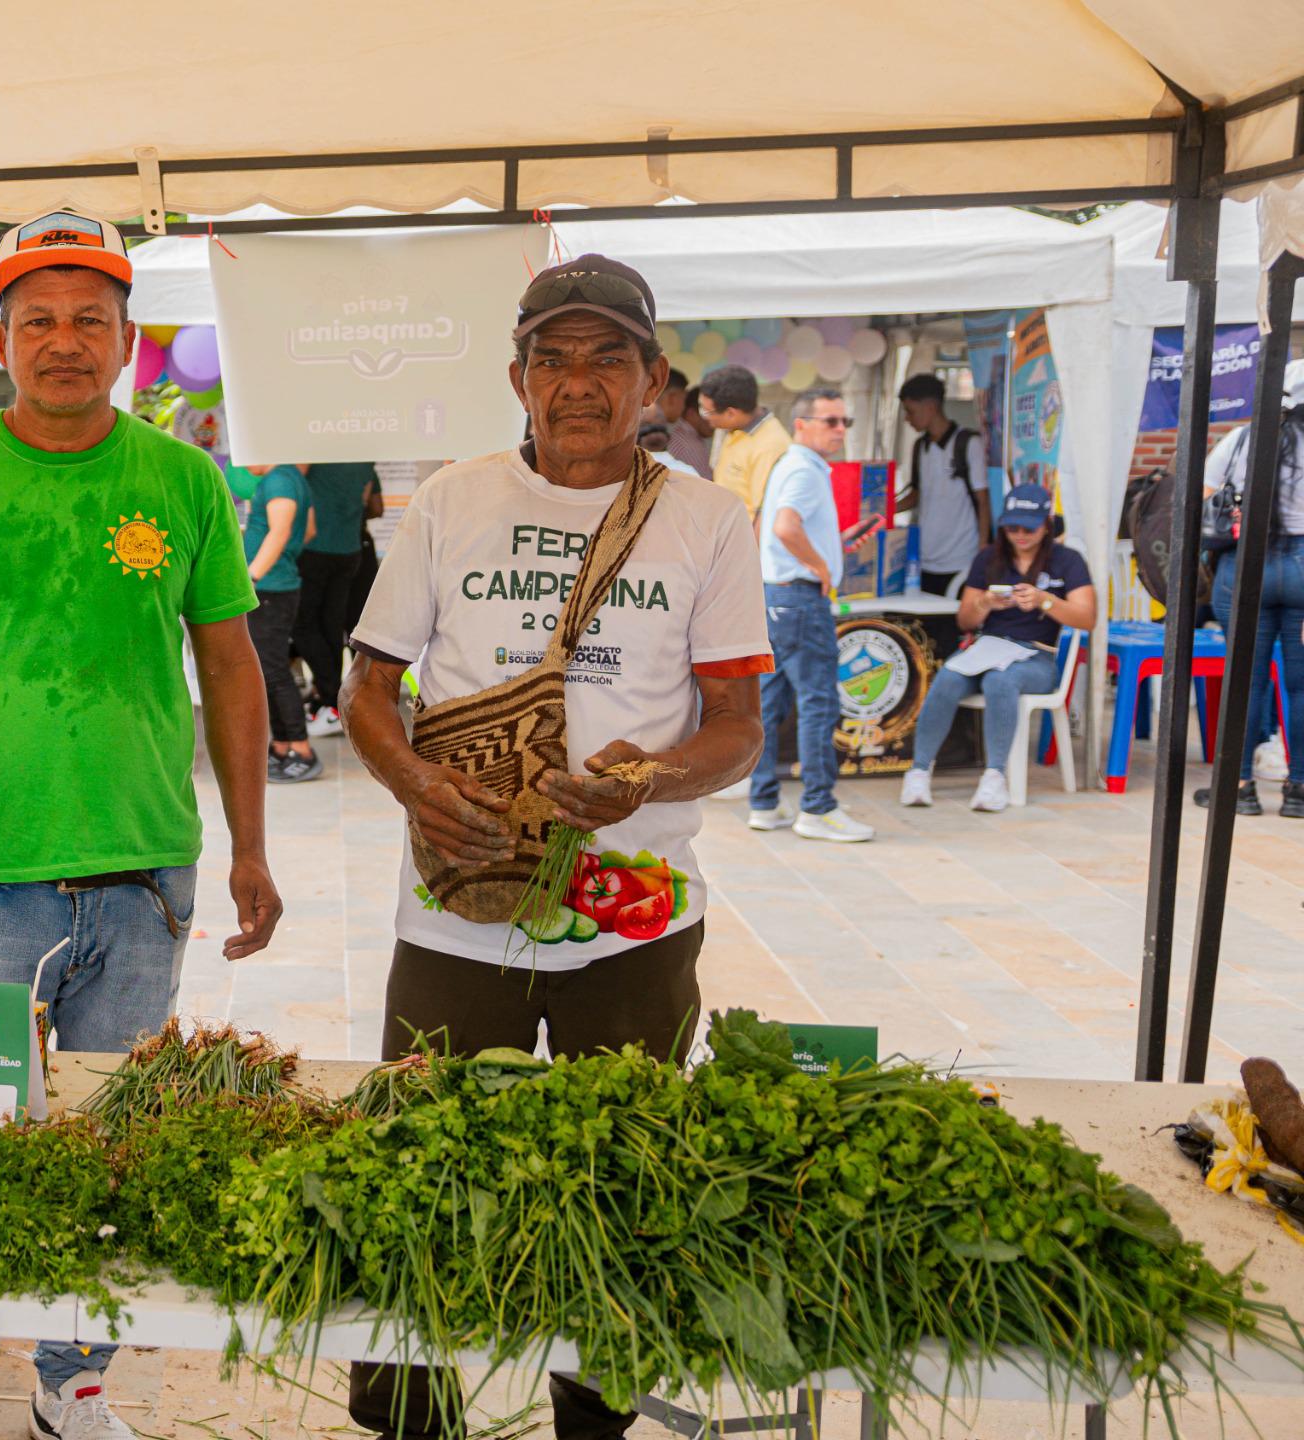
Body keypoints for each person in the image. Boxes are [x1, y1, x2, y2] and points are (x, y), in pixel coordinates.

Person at [0, 212, 282, 1440]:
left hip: (145, 874)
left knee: (104, 1148)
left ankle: (72, 1382)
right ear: (0, 340)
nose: (64, 342)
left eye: (90, 318)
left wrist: (248, 843)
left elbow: (233, 667)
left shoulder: (180, 478)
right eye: (38, 319)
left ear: (128, 339)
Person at [339, 253, 770, 1440]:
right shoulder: (452, 500)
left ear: (655, 381)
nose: (578, 383)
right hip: (458, 902)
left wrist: (654, 779)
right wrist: (417, 782)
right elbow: (367, 689)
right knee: (422, 1171)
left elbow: (739, 724)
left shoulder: (708, 520)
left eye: (607, 359)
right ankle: (411, 1417)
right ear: (517, 376)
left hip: (634, 908)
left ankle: (596, 1418)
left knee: (617, 1187)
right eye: (553, 358)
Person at [898, 484, 1096, 813]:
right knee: (947, 676)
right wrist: (986, 603)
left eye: (1027, 528)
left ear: (1046, 524)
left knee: (1000, 681)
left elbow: (1087, 618)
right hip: (989, 647)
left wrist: (1044, 600)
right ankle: (919, 770)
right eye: (1011, 527)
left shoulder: (1067, 560)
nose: (1019, 535)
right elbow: (964, 619)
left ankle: (995, 776)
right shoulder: (989, 558)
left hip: (1038, 654)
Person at [750, 388, 880, 842]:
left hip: (777, 596)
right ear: (801, 424)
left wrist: (832, 546)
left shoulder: (791, 466)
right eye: (831, 421)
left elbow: (773, 528)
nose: (840, 430)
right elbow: (786, 527)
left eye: (845, 421)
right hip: (800, 598)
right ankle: (818, 807)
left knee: (770, 703)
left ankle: (764, 801)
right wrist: (821, 565)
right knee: (818, 703)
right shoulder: (803, 469)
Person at [1195, 357, 1304, 817]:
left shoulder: (1240, 440)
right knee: (1301, 686)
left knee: (1245, 679)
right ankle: (1298, 790)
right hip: (1302, 566)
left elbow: (1204, 491)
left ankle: (1239, 786)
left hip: (1244, 567)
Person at [244, 461, 322, 781]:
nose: (241, 463)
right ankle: (281, 746)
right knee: (266, 669)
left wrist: (252, 575)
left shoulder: (279, 479)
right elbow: (310, 530)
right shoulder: (292, 477)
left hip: (269, 590)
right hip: (274, 587)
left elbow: (282, 530)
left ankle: (302, 750)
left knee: (273, 670)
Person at [295, 461, 379, 737]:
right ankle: (331, 699)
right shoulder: (364, 461)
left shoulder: (312, 458)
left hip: (315, 546)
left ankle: (330, 696)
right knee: (331, 624)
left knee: (304, 625)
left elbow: (295, 479)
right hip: (349, 549)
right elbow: (372, 503)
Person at [896, 373, 991, 594]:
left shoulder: (968, 444)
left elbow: (983, 499)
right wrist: (883, 510)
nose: (907, 419)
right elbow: (916, 494)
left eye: (910, 411)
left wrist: (982, 549)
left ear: (930, 407)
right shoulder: (920, 447)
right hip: (925, 558)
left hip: (961, 559)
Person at [695, 366, 788, 519]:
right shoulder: (733, 430)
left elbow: (763, 515)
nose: (704, 417)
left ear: (731, 413)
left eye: (706, 411)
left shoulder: (770, 446)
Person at [654, 367, 714, 479]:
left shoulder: (670, 434)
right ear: (672, 398)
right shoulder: (687, 443)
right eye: (683, 399)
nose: (683, 407)